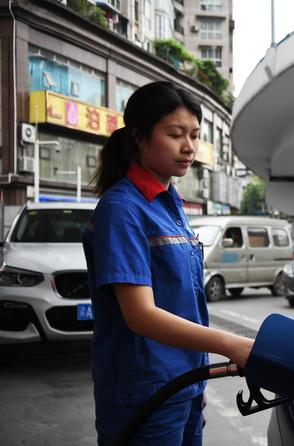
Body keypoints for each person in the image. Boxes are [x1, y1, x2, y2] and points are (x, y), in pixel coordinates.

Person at [82, 81, 253, 445]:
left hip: (182, 385)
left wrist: (195, 379)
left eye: (194, 134)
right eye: (175, 134)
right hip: (143, 390)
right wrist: (232, 344)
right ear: (140, 137)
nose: (188, 146)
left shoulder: (171, 204)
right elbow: (140, 314)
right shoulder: (123, 209)